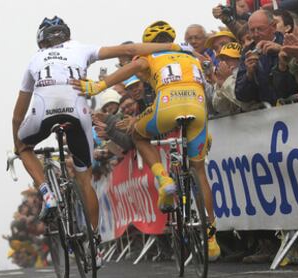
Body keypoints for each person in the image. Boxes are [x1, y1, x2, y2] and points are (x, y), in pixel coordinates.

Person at [12, 15, 195, 238]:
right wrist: (174, 46)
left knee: (23, 147)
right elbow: (130, 49)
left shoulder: (34, 59)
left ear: (41, 41)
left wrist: (17, 145)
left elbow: (17, 115)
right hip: (77, 111)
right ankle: (93, 244)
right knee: (85, 180)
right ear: (67, 35)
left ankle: (46, 193)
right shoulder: (80, 48)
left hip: (42, 111)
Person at [71, 20, 222, 261]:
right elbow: (208, 70)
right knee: (200, 171)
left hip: (168, 106)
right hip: (198, 107)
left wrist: (98, 86)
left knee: (138, 134)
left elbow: (131, 68)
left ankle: (163, 179)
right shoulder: (189, 53)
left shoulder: (150, 56)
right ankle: (212, 239)